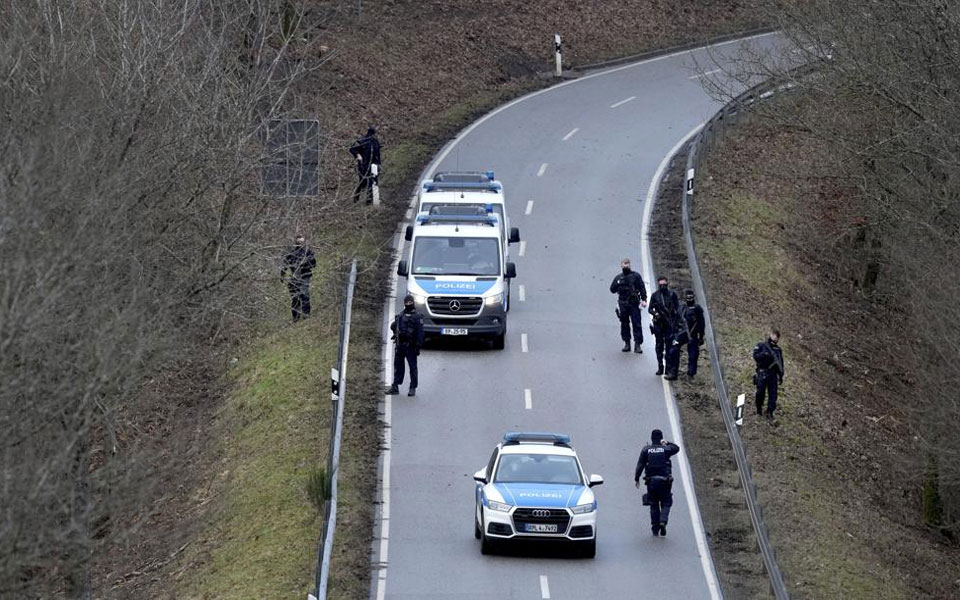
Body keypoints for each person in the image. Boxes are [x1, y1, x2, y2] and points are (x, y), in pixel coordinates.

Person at [634, 429, 680, 537]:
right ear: (661, 438)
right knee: (666, 502)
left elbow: (640, 464)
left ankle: (655, 529)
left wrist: (637, 478)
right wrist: (667, 443)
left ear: (651, 438)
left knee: (653, 505)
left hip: (651, 483)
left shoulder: (646, 450)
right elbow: (676, 448)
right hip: (665, 482)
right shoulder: (666, 449)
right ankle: (663, 521)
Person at [388, 294, 424, 397]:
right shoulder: (400, 315)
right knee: (398, 367)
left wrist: (418, 346)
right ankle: (395, 386)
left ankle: (412, 387)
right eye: (407, 303)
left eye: (410, 302)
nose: (408, 304)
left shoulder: (417, 317)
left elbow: (420, 333)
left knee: (413, 368)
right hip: (400, 345)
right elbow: (394, 326)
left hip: (411, 346)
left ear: (413, 303)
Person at [609, 258, 648, 353]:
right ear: (621, 265)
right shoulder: (618, 277)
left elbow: (642, 288)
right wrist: (618, 284)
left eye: (627, 264)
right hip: (623, 303)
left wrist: (644, 300)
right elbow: (612, 289)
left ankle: (637, 344)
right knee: (624, 323)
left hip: (634, 303)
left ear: (630, 265)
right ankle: (627, 343)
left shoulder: (636, 276)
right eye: (624, 264)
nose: (626, 266)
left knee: (636, 323)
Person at [648, 277, 681, 377]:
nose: (662, 286)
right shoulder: (655, 295)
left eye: (664, 284)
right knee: (659, 346)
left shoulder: (672, 295)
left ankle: (668, 368)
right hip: (658, 324)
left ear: (667, 283)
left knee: (669, 346)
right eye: (660, 284)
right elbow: (650, 309)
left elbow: (678, 309)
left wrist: (676, 322)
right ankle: (660, 367)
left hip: (669, 325)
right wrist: (656, 314)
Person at [281, 235, 316, 321]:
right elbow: (284, 265)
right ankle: (296, 317)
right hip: (294, 277)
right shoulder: (291, 254)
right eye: (298, 241)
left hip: (305, 275)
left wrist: (305, 263)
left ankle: (306, 315)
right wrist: (282, 275)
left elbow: (313, 264)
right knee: (295, 297)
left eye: (301, 241)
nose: (300, 243)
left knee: (304, 294)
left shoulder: (308, 252)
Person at [753, 328, 785, 420]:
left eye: (777, 336)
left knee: (773, 395)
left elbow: (780, 363)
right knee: (760, 393)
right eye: (774, 335)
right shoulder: (762, 345)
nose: (775, 337)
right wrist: (764, 354)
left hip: (773, 375)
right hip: (763, 372)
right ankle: (759, 409)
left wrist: (781, 375)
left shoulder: (778, 350)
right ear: (770, 335)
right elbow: (755, 356)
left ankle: (770, 412)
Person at [349, 126, 381, 203]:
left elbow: (377, 154)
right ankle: (356, 197)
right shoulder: (363, 141)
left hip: (373, 165)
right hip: (364, 165)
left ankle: (370, 200)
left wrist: (379, 164)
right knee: (363, 182)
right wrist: (358, 155)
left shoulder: (375, 142)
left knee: (372, 181)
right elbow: (352, 149)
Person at [680, 289, 705, 378]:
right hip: (682, 333)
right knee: (673, 349)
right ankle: (672, 370)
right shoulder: (682, 307)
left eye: (691, 297)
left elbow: (701, 323)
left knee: (693, 355)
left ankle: (691, 373)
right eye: (687, 297)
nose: (689, 299)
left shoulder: (697, 308)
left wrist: (701, 336)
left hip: (693, 334)